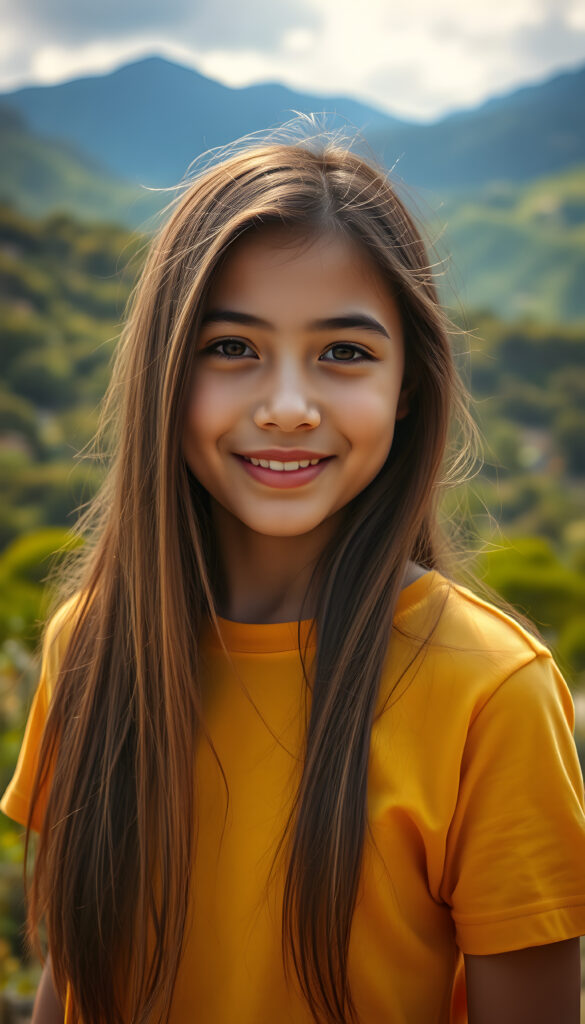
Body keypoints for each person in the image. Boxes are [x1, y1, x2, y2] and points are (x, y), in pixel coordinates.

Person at [2, 131, 585, 1024]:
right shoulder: (92, 644)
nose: (284, 406)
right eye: (231, 347)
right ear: (166, 369)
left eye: (343, 353)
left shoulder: (492, 695)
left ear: (407, 387)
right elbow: (75, 977)